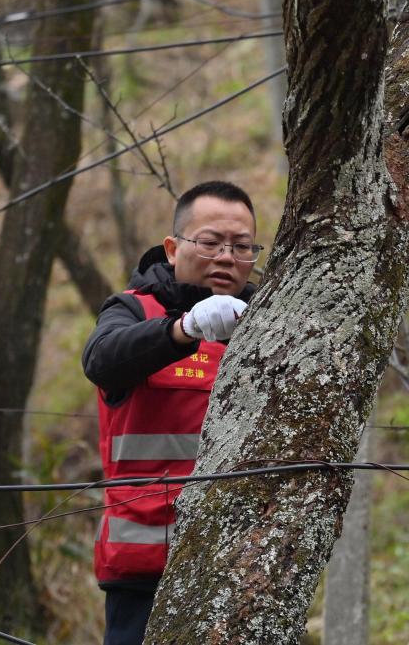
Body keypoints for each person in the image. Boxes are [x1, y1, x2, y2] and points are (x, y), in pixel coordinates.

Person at [82, 180, 264, 645]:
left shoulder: (268, 323)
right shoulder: (132, 310)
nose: (226, 257)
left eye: (242, 247)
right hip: (145, 571)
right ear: (172, 248)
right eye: (210, 242)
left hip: (241, 566)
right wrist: (183, 329)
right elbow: (101, 360)